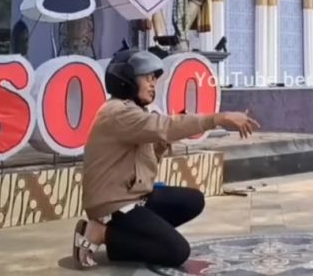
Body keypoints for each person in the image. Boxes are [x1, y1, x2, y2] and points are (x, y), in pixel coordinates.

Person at [73, 50, 260, 269]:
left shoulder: (135, 112)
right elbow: (166, 126)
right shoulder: (118, 113)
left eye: (155, 79)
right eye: (147, 78)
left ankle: (131, 235)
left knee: (193, 200)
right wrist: (219, 118)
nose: (153, 84)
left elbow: (149, 157)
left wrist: (161, 143)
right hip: (115, 203)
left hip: (134, 196)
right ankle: (103, 232)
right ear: (125, 79)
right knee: (176, 252)